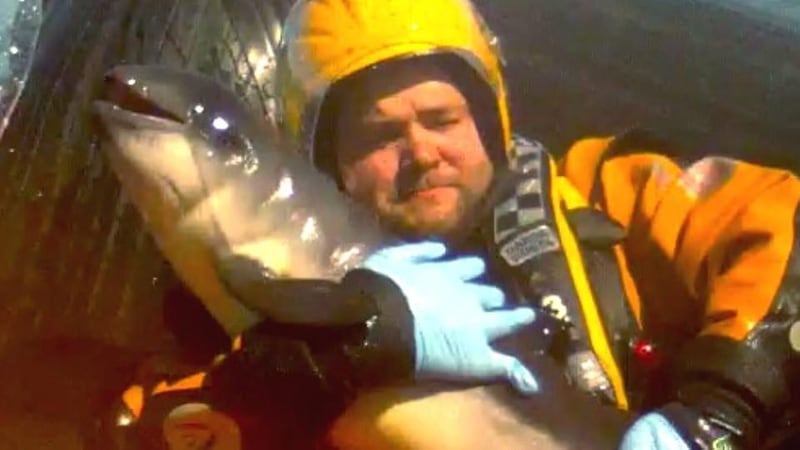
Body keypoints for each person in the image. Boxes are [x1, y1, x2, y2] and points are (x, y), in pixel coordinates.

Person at [115, 0, 800, 449]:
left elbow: (784, 225)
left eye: (442, 119)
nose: (421, 152)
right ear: (332, 166)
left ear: (492, 118)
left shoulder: (610, 193)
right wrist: (323, 365)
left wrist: (716, 414)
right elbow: (137, 430)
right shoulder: (255, 319)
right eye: (379, 135)